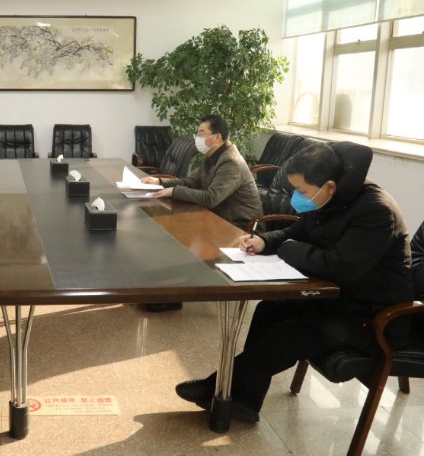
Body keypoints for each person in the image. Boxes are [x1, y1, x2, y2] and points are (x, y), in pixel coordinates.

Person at [175, 142, 414, 423]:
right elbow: (299, 231)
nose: (296, 198)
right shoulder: (332, 199)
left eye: (302, 191)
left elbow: (341, 266)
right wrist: (264, 241)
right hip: (340, 300)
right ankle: (246, 400)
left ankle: (216, 387)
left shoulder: (376, 211)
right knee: (269, 309)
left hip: (373, 318)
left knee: (287, 335)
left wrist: (288, 249)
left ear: (329, 186)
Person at [141, 115, 262, 312]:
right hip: (218, 215)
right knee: (173, 228)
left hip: (239, 225)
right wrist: (160, 182)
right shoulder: (212, 157)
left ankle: (173, 293)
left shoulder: (230, 162)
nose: (197, 138)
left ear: (217, 137)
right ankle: (165, 287)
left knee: (182, 232)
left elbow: (211, 198)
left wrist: (175, 191)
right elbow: (191, 181)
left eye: (201, 133)